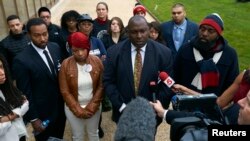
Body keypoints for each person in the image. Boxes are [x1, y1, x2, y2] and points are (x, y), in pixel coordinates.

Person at [103, 15, 173, 127]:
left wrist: (156, 108)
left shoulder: (164, 53)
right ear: (127, 32)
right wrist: (122, 107)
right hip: (123, 115)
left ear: (149, 31)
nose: (139, 36)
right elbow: (108, 82)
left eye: (143, 31)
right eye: (134, 32)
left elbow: (168, 85)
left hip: (151, 115)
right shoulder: (113, 52)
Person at [173, 13, 239, 124]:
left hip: (214, 109)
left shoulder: (229, 55)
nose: (204, 33)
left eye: (210, 31)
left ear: (218, 34)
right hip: (185, 106)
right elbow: (175, 74)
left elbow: (231, 84)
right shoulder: (186, 49)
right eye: (202, 29)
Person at [12, 18, 66, 141]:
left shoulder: (55, 47)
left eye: (45, 34)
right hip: (42, 115)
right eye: (37, 35)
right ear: (29, 35)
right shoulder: (21, 60)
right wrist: (34, 118)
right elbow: (25, 93)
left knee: (58, 138)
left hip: (60, 110)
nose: (42, 38)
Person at [59, 32, 103, 141]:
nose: (79, 53)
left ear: (88, 48)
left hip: (94, 106)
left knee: (93, 133)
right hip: (72, 107)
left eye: (83, 49)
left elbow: (101, 86)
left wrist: (92, 106)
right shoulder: (65, 64)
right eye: (75, 50)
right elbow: (65, 91)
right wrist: (77, 109)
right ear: (71, 50)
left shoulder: (97, 61)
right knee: (77, 135)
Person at [77, 13, 107, 138]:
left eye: (89, 24)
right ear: (79, 26)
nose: (86, 27)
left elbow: (104, 57)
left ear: (92, 27)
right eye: (83, 24)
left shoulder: (97, 41)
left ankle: (97, 125)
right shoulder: (74, 41)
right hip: (80, 79)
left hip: (96, 79)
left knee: (96, 103)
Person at [151, 89, 250, 125]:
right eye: (245, 97)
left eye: (249, 103)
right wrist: (164, 112)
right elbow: (204, 119)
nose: (240, 102)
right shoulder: (234, 111)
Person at [0, 54, 29, 141]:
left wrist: (9, 117)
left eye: (1, 67)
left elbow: (25, 103)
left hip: (20, 134)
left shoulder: (6, 87)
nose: (2, 72)